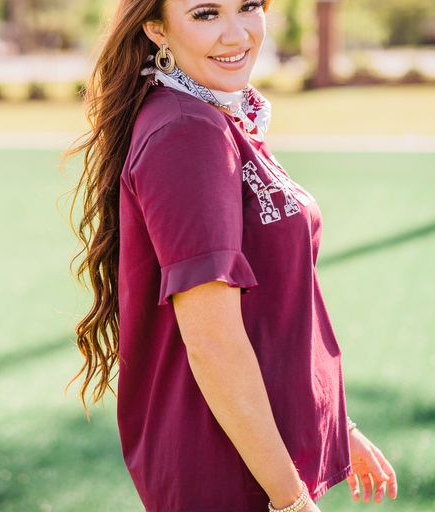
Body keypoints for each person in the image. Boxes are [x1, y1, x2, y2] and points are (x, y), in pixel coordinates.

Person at [63, 0, 399, 511]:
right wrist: (290, 501)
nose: (236, 33)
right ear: (157, 30)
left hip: (256, 456)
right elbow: (213, 342)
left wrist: (335, 422)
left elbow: (276, 307)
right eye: (205, 14)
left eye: (247, 6)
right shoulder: (186, 132)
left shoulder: (218, 115)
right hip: (225, 471)